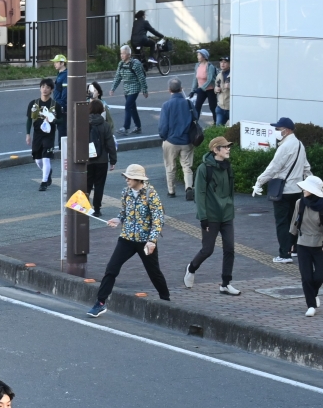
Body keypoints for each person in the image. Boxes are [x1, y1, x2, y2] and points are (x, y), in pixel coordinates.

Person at [86, 164, 169, 318]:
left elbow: (158, 220)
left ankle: (166, 300)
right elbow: (124, 213)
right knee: (111, 268)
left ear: (139, 179)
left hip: (145, 241)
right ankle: (100, 302)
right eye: (126, 177)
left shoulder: (151, 194)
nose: (126, 180)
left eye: (129, 177)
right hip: (126, 238)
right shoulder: (125, 192)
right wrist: (118, 219)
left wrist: (152, 241)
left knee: (154, 272)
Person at [251, 117, 312, 263]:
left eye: (278, 129)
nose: (276, 131)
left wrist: (259, 182)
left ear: (287, 130)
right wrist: (311, 185)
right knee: (294, 221)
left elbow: (273, 167)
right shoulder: (299, 144)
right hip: (297, 190)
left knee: (282, 223)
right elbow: (306, 167)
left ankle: (284, 255)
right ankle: (294, 249)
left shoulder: (285, 147)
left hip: (283, 191)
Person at [186, 135, 241, 296]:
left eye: (228, 146)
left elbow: (230, 190)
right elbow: (200, 194)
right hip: (211, 215)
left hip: (227, 214)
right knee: (207, 250)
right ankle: (191, 267)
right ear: (216, 149)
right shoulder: (204, 169)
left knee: (230, 248)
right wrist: (203, 217)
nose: (228, 149)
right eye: (225, 147)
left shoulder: (227, 166)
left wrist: (230, 205)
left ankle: (225, 283)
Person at [290, 175, 323, 317]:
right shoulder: (300, 203)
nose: (303, 190)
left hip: (320, 244)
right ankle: (311, 305)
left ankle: (313, 294)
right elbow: (295, 222)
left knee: (320, 275)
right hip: (303, 244)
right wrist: (291, 242)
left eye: (306, 188)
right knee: (306, 277)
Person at [158, 79, 195, 201]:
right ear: (181, 88)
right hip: (186, 140)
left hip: (171, 141)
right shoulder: (188, 103)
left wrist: (164, 137)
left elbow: (163, 126)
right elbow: (195, 116)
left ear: (169, 90)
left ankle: (171, 191)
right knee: (187, 166)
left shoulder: (166, 105)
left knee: (170, 166)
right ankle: (189, 187)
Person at [25, 81, 62, 192]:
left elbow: (62, 119)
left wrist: (54, 120)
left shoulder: (55, 105)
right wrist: (28, 134)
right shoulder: (34, 103)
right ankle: (48, 172)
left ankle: (44, 182)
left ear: (51, 90)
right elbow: (29, 120)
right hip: (37, 134)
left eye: (47, 87)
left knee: (46, 158)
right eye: (43, 87)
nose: (45, 89)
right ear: (40, 88)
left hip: (49, 135)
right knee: (38, 160)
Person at [86, 100, 118, 218]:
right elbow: (110, 143)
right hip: (102, 160)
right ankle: (97, 209)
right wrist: (113, 160)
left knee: (87, 184)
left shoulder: (83, 123)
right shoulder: (105, 125)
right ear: (101, 110)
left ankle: (85, 207)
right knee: (99, 185)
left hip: (87, 160)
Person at [110, 46, 148, 135]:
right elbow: (118, 77)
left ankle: (125, 127)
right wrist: (113, 88)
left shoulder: (135, 64)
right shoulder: (121, 64)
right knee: (132, 108)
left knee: (127, 106)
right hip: (126, 88)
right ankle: (138, 127)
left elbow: (141, 78)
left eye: (123, 53)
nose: (121, 55)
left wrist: (145, 90)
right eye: (121, 53)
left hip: (135, 87)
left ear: (129, 54)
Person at [191, 49, 217, 119]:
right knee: (197, 106)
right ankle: (195, 124)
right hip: (201, 90)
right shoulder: (197, 65)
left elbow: (210, 79)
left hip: (211, 90)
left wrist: (202, 88)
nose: (197, 56)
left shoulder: (210, 66)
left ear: (204, 57)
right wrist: (192, 90)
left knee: (213, 107)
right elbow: (195, 78)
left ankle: (216, 124)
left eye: (199, 55)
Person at [214, 57, 231, 126]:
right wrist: (216, 89)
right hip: (220, 107)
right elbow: (215, 86)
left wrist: (231, 86)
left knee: (235, 130)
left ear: (230, 64)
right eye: (221, 62)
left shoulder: (234, 74)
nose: (222, 64)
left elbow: (241, 88)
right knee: (218, 128)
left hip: (231, 107)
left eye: (225, 62)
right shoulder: (219, 75)